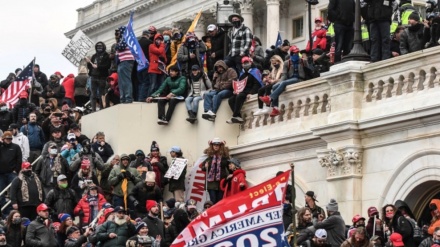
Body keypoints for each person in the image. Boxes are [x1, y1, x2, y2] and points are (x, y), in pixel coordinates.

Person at [259, 45, 306, 117]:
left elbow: (309, 70)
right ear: (291, 54)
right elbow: (284, 75)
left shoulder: (303, 61)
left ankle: (270, 98)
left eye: (297, 53)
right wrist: (280, 82)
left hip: (299, 79)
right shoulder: (287, 62)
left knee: (283, 83)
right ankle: (275, 108)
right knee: (274, 86)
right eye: (294, 53)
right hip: (290, 79)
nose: (296, 55)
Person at [226, 56, 262, 124]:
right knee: (231, 100)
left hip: (250, 90)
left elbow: (257, 84)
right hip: (243, 90)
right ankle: (238, 116)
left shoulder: (255, 71)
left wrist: (251, 92)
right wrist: (236, 90)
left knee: (240, 96)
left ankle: (235, 115)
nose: (245, 64)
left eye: (247, 62)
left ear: (250, 63)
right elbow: (239, 84)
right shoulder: (242, 74)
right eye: (244, 63)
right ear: (242, 64)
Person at [0, 131, 22, 217]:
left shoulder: (16, 147)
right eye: (6, 139)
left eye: (10, 139)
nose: (8, 140)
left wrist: (16, 170)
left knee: (16, 191)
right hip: (1, 174)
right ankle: (5, 213)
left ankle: (17, 211)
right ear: (3, 139)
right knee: (1, 193)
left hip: (11, 173)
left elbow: (19, 159)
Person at [201, 137, 229, 204]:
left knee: (220, 201)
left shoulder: (224, 157)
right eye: (214, 145)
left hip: (221, 183)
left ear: (220, 146)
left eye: (217, 145)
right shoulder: (209, 157)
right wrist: (205, 167)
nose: (216, 146)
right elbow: (203, 167)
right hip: (211, 183)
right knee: (213, 200)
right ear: (212, 146)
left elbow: (229, 166)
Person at [86, 41, 111, 111]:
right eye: (97, 47)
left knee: (101, 94)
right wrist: (88, 63)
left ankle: (101, 108)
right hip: (93, 77)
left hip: (101, 77)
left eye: (100, 47)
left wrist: (98, 66)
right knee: (93, 94)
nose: (99, 48)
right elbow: (90, 67)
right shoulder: (94, 56)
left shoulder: (106, 55)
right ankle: (93, 109)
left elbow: (108, 66)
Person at [115, 26, 135, 104]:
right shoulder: (121, 39)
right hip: (122, 61)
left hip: (126, 61)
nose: (118, 34)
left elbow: (120, 47)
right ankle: (123, 98)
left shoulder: (126, 37)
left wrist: (117, 44)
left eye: (119, 32)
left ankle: (128, 97)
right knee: (121, 82)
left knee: (126, 80)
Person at [148, 33, 167, 98]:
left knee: (161, 85)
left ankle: (159, 97)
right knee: (153, 85)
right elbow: (158, 51)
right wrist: (162, 45)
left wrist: (163, 59)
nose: (159, 41)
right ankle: (149, 97)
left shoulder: (162, 48)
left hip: (160, 69)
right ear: (155, 39)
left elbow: (165, 58)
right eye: (158, 39)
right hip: (153, 69)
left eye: (160, 40)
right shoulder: (151, 46)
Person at [138, 30, 153, 101]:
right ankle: (142, 97)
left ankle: (139, 97)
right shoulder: (149, 42)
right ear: (148, 35)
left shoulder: (137, 42)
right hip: (146, 64)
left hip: (138, 66)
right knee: (146, 81)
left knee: (140, 82)